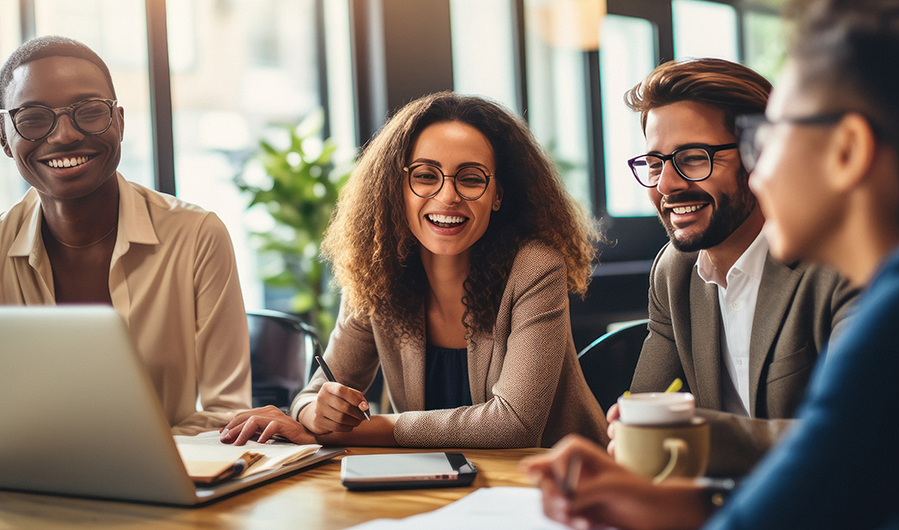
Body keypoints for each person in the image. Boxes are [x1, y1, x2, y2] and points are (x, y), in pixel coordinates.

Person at [522, 0, 899, 528]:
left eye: (769, 137)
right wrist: (675, 501)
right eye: (655, 164)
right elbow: (829, 497)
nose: (760, 169)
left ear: (846, 151)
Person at [222, 92, 608, 448]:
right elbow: (317, 391)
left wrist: (361, 431)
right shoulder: (377, 271)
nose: (447, 196)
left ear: (498, 196)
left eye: (471, 179)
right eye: (425, 175)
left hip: (559, 488)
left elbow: (514, 425)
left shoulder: (535, 268)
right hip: (435, 487)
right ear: (397, 187)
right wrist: (314, 414)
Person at [611, 58, 857, 475]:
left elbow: (856, 439)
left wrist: (691, 434)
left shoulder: (839, 265)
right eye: (655, 164)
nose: (667, 185)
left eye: (692, 157)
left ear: (757, 154)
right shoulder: (675, 271)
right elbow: (643, 415)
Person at [0, 36, 251, 435]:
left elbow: (226, 414)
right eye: (32, 117)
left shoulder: (197, 236)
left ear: (118, 121)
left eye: (89, 112)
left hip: (168, 487)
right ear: (4, 138)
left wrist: (136, 460)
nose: (64, 135)